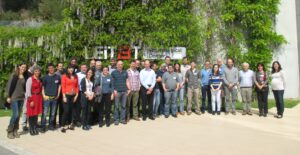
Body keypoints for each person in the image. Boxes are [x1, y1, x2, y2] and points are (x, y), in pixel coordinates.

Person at [6, 63, 29, 139]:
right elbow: (8, 86)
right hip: (14, 98)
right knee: (15, 114)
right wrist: (8, 96)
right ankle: (10, 131)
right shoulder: (14, 75)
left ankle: (15, 130)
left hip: (21, 98)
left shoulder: (25, 76)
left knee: (18, 115)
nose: (23, 68)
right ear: (19, 67)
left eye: (25, 67)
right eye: (22, 67)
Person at [41, 63, 61, 132]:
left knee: (52, 113)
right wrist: (43, 95)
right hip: (47, 98)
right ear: (48, 69)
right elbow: (42, 87)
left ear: (54, 68)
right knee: (45, 113)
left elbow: (59, 86)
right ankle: (43, 126)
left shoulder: (57, 77)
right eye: (50, 68)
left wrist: (58, 95)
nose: (51, 69)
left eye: (52, 68)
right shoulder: (45, 77)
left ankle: (50, 125)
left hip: (55, 98)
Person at [111, 60, 130, 125]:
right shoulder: (113, 72)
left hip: (124, 91)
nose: (120, 65)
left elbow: (127, 81)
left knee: (123, 106)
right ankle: (116, 119)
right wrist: (114, 90)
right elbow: (112, 83)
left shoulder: (125, 72)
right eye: (119, 64)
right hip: (117, 92)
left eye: (121, 64)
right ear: (116, 65)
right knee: (116, 106)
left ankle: (122, 119)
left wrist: (129, 89)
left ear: (122, 65)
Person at [61, 65, 79, 133]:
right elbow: (63, 86)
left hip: (73, 96)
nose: (71, 69)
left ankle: (70, 124)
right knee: (66, 111)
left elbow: (77, 86)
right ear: (68, 69)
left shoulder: (75, 76)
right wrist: (64, 96)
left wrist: (76, 95)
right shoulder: (64, 76)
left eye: (72, 68)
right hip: (67, 95)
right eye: (70, 68)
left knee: (72, 111)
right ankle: (62, 126)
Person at [26, 66, 43, 136]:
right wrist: (30, 100)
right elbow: (27, 91)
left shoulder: (39, 79)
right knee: (31, 114)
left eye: (38, 71)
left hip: (38, 98)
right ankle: (31, 128)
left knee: (36, 114)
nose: (37, 72)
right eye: (36, 71)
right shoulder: (30, 79)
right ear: (33, 72)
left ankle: (35, 127)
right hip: (32, 98)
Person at [54, 62, 64, 127]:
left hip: (62, 93)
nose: (61, 67)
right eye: (59, 66)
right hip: (56, 93)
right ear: (57, 67)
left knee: (61, 108)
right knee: (54, 109)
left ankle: (61, 122)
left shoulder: (64, 74)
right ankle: (53, 123)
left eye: (61, 66)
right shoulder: (55, 74)